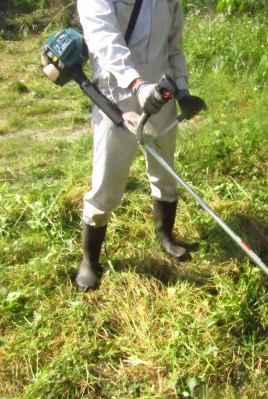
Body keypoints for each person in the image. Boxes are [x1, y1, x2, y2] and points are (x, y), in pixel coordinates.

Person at [75, 0, 207, 291]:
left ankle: (166, 236)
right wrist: (136, 84)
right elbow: (104, 39)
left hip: (162, 89)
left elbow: (174, 44)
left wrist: (182, 89)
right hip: (116, 91)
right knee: (106, 182)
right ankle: (90, 260)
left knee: (164, 168)